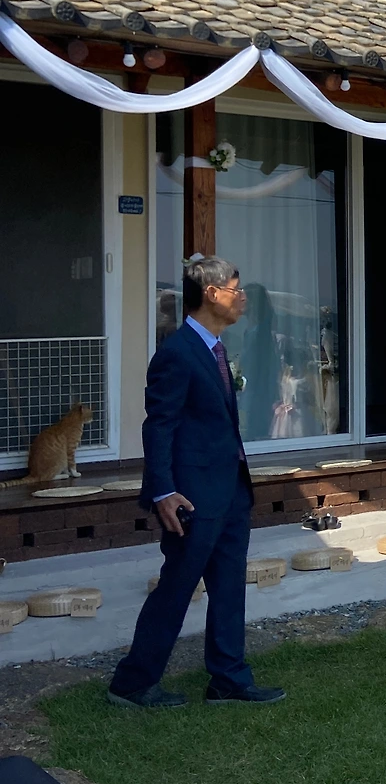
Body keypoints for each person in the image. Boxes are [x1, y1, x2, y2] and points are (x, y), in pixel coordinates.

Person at [108, 256, 284, 709]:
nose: (242, 298)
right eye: (236, 290)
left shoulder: (217, 349)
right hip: (192, 497)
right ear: (211, 294)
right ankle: (133, 682)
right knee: (177, 587)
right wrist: (163, 491)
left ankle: (228, 678)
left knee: (229, 587)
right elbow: (159, 425)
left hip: (230, 490)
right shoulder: (178, 352)